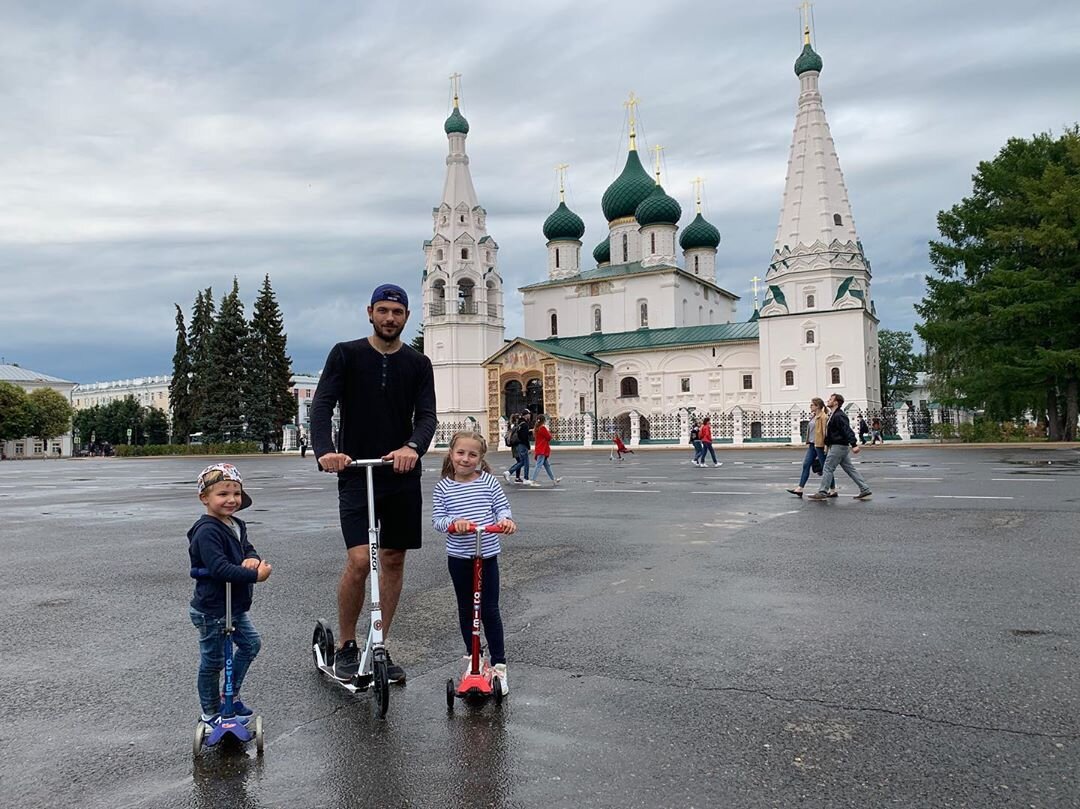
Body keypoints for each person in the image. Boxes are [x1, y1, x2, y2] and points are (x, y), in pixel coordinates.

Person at [309, 283, 437, 684]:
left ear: (406, 317)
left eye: (396, 313)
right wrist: (326, 451)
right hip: (355, 471)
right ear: (370, 312)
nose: (389, 319)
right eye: (382, 311)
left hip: (400, 473)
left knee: (394, 559)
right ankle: (346, 645)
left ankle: (378, 643)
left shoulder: (418, 363)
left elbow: (427, 416)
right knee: (361, 560)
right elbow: (323, 404)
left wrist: (413, 447)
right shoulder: (346, 354)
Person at [188, 463, 272, 727]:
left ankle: (230, 694)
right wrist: (255, 576)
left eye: (235, 493)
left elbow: (248, 548)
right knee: (212, 662)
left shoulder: (236, 524)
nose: (231, 500)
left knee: (251, 644)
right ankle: (211, 711)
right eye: (223, 494)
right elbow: (219, 568)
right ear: (205, 498)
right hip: (212, 608)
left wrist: (252, 559)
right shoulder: (206, 531)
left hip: (233, 606)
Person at [432, 431, 516, 695]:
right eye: (460, 453)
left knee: (489, 609)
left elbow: (502, 508)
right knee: (467, 608)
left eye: (472, 455)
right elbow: (438, 520)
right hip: (459, 557)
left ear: (480, 458)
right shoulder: (443, 487)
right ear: (451, 454)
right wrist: (453, 524)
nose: (465, 459)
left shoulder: (489, 482)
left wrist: (505, 521)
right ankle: (474, 657)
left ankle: (499, 664)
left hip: (487, 555)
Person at [807, 393, 873, 501]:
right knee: (850, 469)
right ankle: (865, 489)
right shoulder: (833, 415)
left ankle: (823, 491)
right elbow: (831, 432)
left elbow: (846, 430)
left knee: (827, 468)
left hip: (838, 446)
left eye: (830, 399)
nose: (828, 401)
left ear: (836, 402)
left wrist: (854, 444)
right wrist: (827, 444)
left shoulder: (839, 415)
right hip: (838, 446)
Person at [787, 397, 833, 497]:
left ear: (817, 406)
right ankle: (800, 488)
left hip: (820, 445)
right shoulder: (814, 416)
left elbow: (825, 433)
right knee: (806, 464)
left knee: (826, 468)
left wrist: (826, 446)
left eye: (812, 405)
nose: (810, 406)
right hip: (812, 445)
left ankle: (832, 489)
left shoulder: (823, 417)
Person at [529, 414, 561, 486]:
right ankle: (533, 481)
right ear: (543, 421)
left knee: (547, 466)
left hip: (539, 449)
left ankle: (553, 480)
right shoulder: (542, 428)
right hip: (542, 449)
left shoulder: (536, 428)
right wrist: (550, 432)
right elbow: (549, 437)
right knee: (538, 465)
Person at [504, 411, 534, 486]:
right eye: (529, 415)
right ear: (526, 415)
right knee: (524, 462)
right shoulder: (524, 424)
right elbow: (524, 437)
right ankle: (512, 473)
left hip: (518, 445)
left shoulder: (519, 424)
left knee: (523, 462)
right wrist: (528, 447)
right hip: (522, 445)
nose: (530, 416)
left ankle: (517, 476)